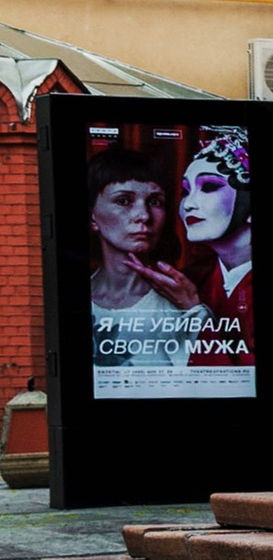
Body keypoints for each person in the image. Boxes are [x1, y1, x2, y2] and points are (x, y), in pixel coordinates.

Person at [89, 158, 204, 392]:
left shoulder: (180, 300)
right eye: (124, 201)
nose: (144, 216)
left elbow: (208, 383)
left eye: (155, 202)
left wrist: (193, 310)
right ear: (93, 217)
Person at [178, 128, 255, 373]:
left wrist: (193, 312)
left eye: (209, 186)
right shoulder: (191, 278)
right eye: (185, 191)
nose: (189, 204)